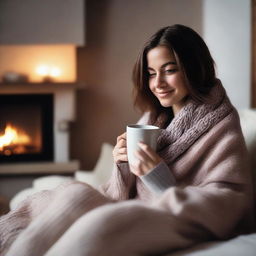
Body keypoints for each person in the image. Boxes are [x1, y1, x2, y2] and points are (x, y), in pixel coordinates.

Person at [0, 24, 254, 256]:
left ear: (194, 68)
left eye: (170, 70)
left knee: (102, 224)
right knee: (75, 194)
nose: (158, 83)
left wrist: (157, 176)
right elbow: (120, 193)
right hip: (138, 205)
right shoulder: (152, 118)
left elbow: (228, 203)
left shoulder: (221, 122)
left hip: (178, 217)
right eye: (152, 73)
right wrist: (122, 165)